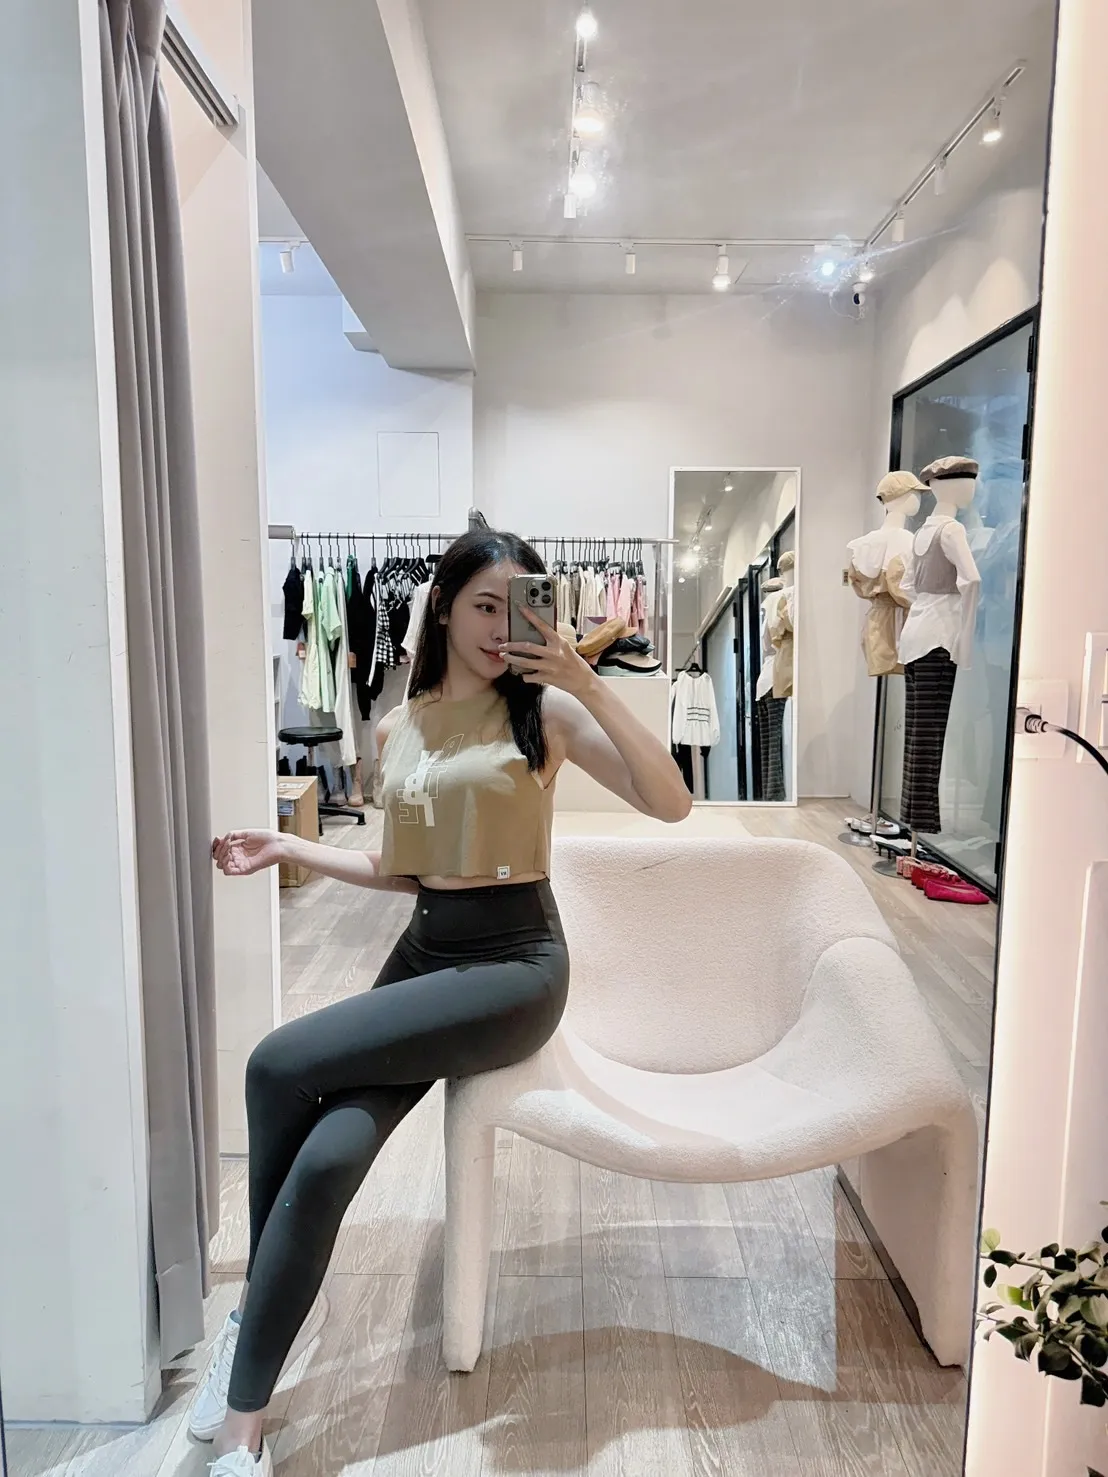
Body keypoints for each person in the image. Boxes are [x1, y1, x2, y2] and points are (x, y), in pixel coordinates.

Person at [195, 529, 692, 1474]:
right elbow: (403, 868)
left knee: (274, 1061)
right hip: (427, 951)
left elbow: (672, 804)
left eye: (518, 606)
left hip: (515, 968)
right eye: (483, 606)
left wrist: (589, 682)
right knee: (325, 1159)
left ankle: (240, 1410)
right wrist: (291, 847)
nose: (502, 628)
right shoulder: (400, 726)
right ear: (444, 608)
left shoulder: (546, 712)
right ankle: (258, 1345)